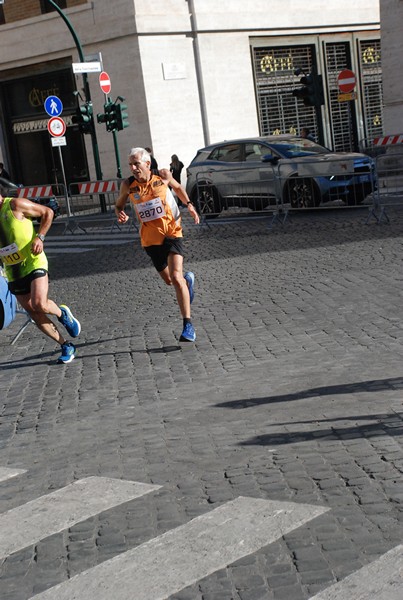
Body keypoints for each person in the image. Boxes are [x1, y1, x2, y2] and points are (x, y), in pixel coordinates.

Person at [115, 147, 200, 342]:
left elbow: (178, 188)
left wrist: (189, 206)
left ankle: (188, 325)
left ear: (147, 163)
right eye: (130, 164)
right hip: (150, 239)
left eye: (136, 163)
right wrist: (119, 213)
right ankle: (188, 281)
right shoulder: (128, 185)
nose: (133, 168)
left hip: (172, 232)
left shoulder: (162, 175)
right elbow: (118, 204)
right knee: (170, 280)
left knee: (176, 277)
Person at [0, 184, 81, 363]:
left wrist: (40, 236)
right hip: (13, 271)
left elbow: (47, 212)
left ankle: (61, 314)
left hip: (34, 261)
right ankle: (65, 345)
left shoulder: (14, 205)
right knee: (33, 311)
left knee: (39, 304)